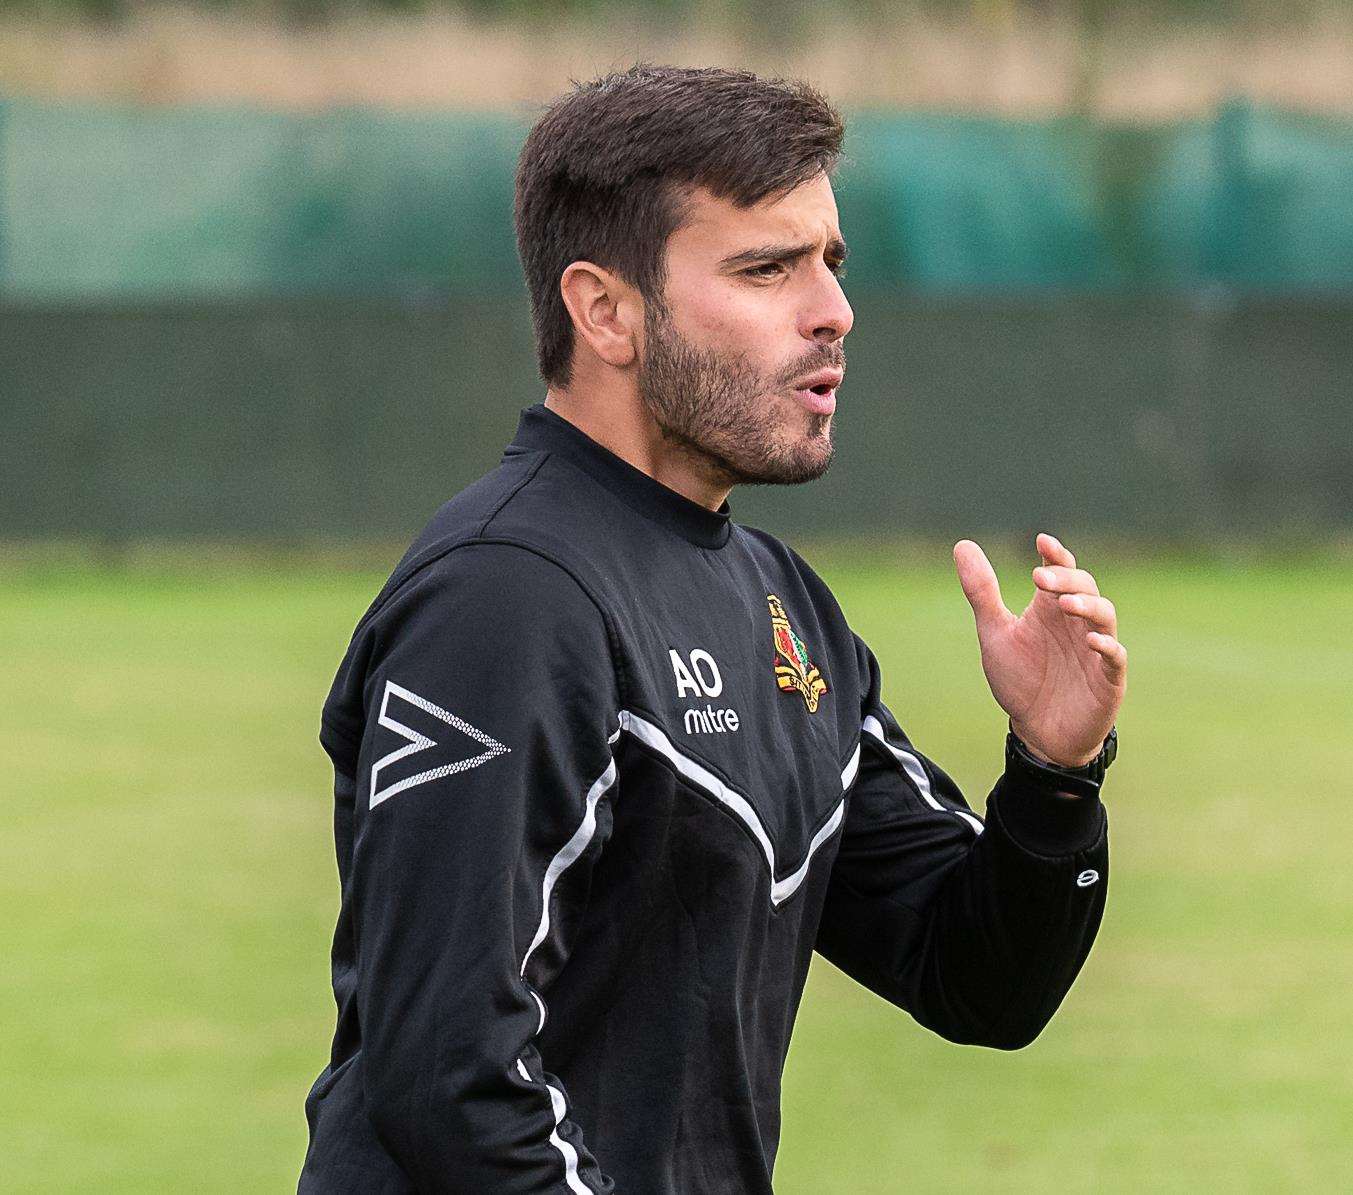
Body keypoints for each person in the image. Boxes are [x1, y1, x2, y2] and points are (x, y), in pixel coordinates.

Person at [297, 63, 1126, 1194]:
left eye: (830, 263)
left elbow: (976, 975)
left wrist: (1054, 771)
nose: (832, 309)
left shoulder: (787, 610)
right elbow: (450, 1074)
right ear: (605, 311)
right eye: (766, 267)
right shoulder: (507, 596)